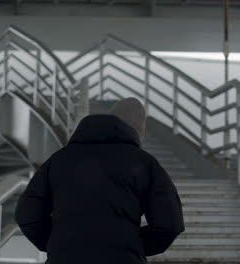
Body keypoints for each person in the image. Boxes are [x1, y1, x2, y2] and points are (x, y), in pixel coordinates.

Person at [15, 97, 185, 264]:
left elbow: (26, 215)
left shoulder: (59, 160)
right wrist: (134, 246)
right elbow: (170, 224)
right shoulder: (145, 163)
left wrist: (57, 243)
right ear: (139, 130)